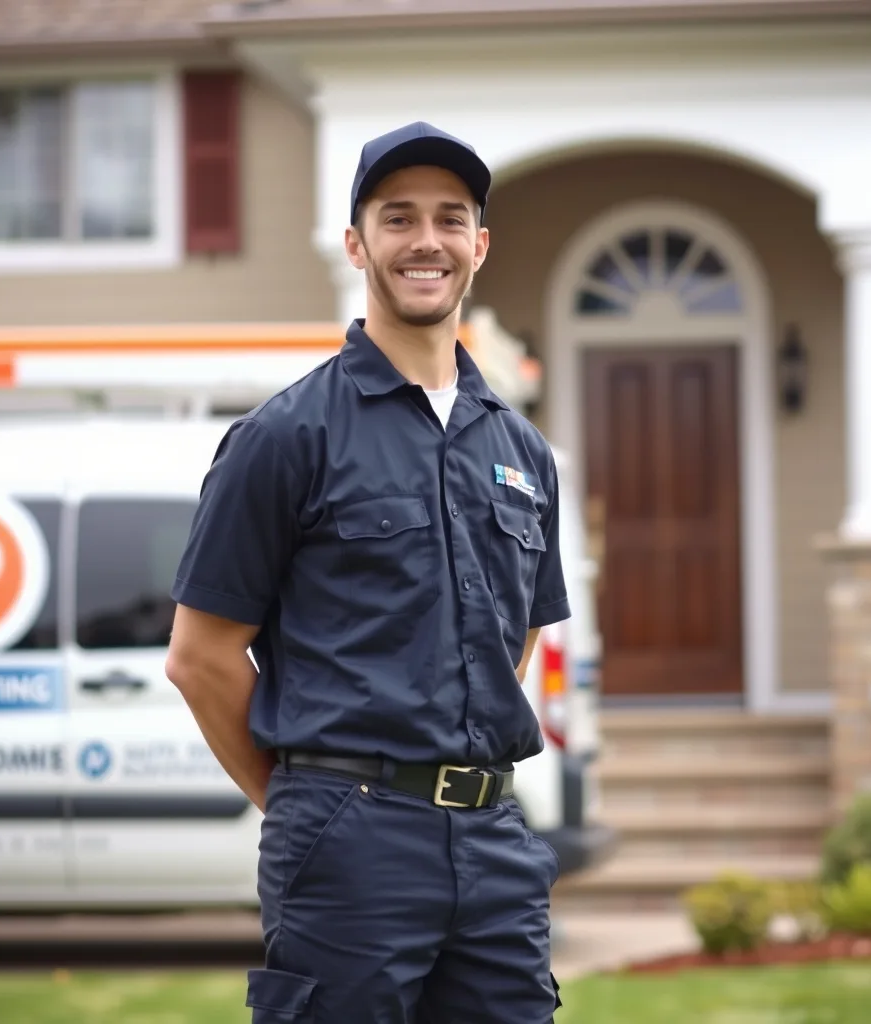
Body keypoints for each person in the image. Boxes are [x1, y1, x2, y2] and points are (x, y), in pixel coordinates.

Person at [165, 121, 571, 1024]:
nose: (425, 240)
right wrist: (311, 802)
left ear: (479, 245)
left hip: (496, 842)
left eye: (449, 219)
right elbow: (200, 657)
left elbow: (519, 636)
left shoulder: (522, 452)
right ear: (357, 243)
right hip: (347, 841)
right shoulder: (285, 437)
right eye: (397, 219)